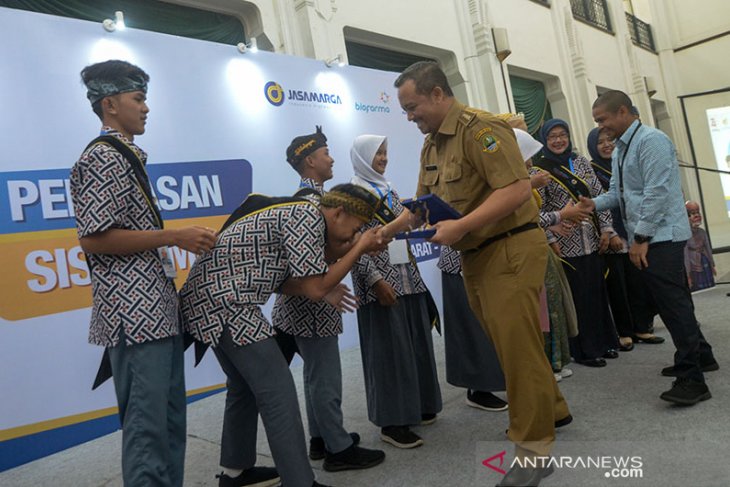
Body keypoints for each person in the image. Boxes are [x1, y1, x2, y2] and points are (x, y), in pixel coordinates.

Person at [395, 61, 570, 487]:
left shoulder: (482, 130)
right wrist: (384, 231)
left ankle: (533, 451)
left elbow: (514, 189)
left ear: (438, 94)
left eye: (413, 106)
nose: (409, 116)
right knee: (512, 343)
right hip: (477, 255)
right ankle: (555, 407)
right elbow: (422, 202)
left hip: (510, 247)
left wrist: (462, 226)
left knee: (516, 348)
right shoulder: (432, 144)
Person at [70, 60, 218, 486]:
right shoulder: (104, 157)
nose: (147, 107)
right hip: (134, 320)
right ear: (110, 104)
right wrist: (172, 237)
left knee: (169, 420)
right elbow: (94, 240)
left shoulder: (126, 156)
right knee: (146, 427)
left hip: (155, 312)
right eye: (138, 99)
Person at [180, 184, 388, 487]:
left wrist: (353, 248)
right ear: (339, 212)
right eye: (354, 228)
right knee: (278, 393)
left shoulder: (303, 216)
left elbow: (295, 283)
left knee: (243, 387)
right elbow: (316, 290)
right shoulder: (306, 216)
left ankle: (235, 472)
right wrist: (358, 248)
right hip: (227, 302)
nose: (351, 236)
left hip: (209, 299)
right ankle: (299, 482)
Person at [580, 90, 719, 405]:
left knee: (673, 304)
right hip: (650, 235)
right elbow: (619, 192)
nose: (601, 128)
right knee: (675, 300)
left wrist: (640, 239)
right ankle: (703, 355)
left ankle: (692, 379)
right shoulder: (622, 150)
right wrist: (592, 204)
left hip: (662, 236)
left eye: (603, 120)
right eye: (598, 123)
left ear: (623, 112)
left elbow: (657, 193)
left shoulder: (651, 141)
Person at [270, 127, 386, 471]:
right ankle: (338, 449)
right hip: (314, 301)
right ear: (310, 160)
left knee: (316, 375)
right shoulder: (312, 205)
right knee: (325, 377)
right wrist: (355, 252)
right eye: (325, 153)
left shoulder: (316, 200)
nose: (331, 158)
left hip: (306, 301)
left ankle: (321, 439)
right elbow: (316, 261)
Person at [349, 134, 443, 449]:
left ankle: (418, 405)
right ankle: (392, 422)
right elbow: (354, 245)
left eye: (386, 152)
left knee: (415, 345)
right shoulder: (353, 196)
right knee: (389, 353)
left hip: (408, 276)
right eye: (377, 153)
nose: (384, 158)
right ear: (363, 157)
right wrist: (375, 280)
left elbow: (400, 230)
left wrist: (418, 221)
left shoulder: (388, 189)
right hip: (382, 281)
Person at [533, 119, 620, 368]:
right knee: (577, 297)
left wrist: (606, 229)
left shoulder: (580, 161)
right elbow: (538, 210)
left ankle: (604, 342)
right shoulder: (540, 169)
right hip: (564, 243)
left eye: (563, 135)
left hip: (591, 239)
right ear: (544, 141)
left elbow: (597, 197)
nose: (559, 140)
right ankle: (584, 350)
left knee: (596, 293)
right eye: (553, 137)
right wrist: (550, 239)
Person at [587, 127, 664, 349]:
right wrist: (610, 231)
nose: (606, 145)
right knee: (618, 287)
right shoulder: (591, 169)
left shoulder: (623, 163)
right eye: (600, 141)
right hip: (612, 238)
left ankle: (641, 327)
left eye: (609, 139)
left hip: (634, 232)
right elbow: (600, 202)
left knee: (637, 283)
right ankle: (624, 332)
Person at [684, 201, 716, 292]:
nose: (697, 216)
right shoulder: (685, 234)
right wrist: (688, 274)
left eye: (697, 212)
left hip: (705, 261)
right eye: (693, 213)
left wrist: (712, 265)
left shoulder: (702, 232)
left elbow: (708, 249)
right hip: (693, 265)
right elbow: (685, 255)